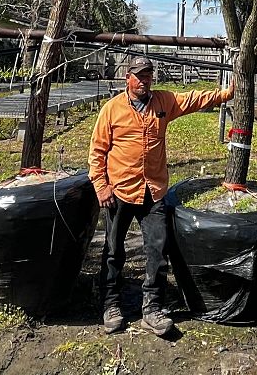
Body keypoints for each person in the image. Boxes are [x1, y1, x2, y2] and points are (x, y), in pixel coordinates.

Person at [88, 54, 235, 336]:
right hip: (118, 191)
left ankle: (152, 308)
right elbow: (97, 151)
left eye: (148, 76)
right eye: (139, 76)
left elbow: (192, 99)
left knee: (158, 249)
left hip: (152, 191)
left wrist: (226, 93)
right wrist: (101, 186)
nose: (145, 80)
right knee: (113, 251)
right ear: (127, 78)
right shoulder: (111, 110)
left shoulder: (163, 102)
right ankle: (111, 304)